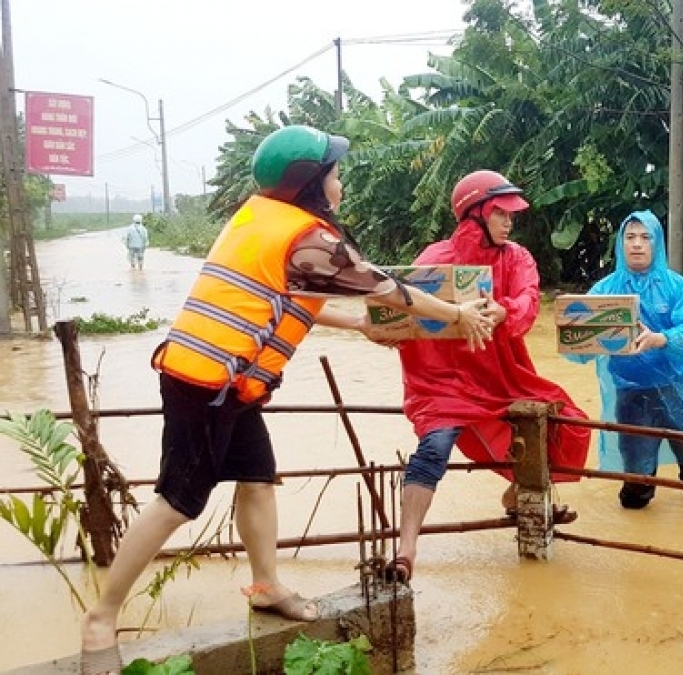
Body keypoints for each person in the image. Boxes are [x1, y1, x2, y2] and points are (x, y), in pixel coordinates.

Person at [78, 125, 495, 675]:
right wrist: (458, 314)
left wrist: (358, 327)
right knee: (178, 500)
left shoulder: (260, 220)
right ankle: (101, 616)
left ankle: (265, 586)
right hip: (207, 384)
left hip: (225, 382)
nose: (341, 183)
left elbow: (296, 300)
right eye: (335, 175)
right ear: (311, 185)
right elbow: (386, 287)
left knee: (257, 477)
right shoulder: (309, 239)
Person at [387, 169, 591, 582]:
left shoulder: (517, 257)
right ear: (474, 213)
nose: (509, 221)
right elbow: (401, 312)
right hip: (441, 379)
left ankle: (518, 495)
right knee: (434, 448)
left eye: (510, 214)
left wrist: (506, 311)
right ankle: (406, 549)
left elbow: (528, 299)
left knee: (566, 422)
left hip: (502, 374)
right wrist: (385, 331)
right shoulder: (434, 261)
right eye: (500, 212)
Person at [564, 210, 683, 509]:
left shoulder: (676, 286)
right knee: (635, 497)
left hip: (678, 389)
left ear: (656, 243)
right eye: (630, 237)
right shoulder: (605, 290)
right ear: (621, 243)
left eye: (645, 237)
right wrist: (582, 340)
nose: (637, 244)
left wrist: (661, 339)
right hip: (631, 393)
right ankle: (639, 484)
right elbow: (577, 342)